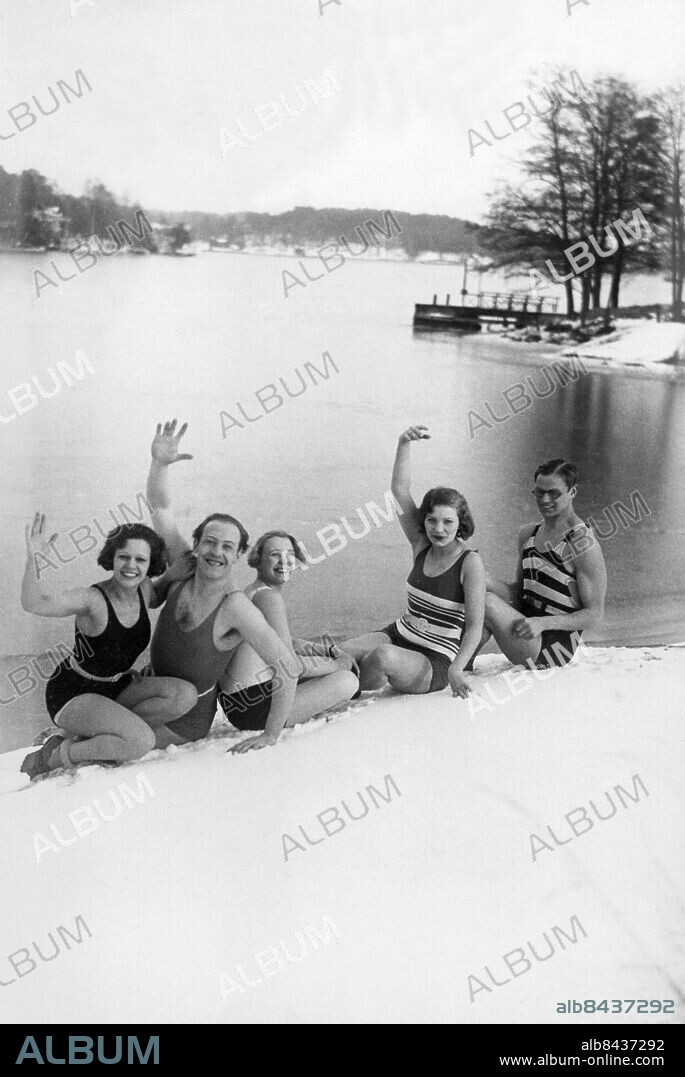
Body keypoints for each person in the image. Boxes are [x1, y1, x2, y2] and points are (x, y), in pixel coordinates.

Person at [145, 419, 298, 754]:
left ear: (239, 555)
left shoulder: (235, 607)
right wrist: (159, 465)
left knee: (115, 743)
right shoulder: (184, 567)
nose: (216, 552)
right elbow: (160, 509)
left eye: (227, 547)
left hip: (185, 719)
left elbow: (288, 668)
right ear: (197, 544)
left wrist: (270, 735)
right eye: (210, 543)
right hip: (153, 690)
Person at [20, 515, 198, 779]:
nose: (131, 566)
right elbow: (35, 604)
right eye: (124, 557)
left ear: (150, 564)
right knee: (140, 742)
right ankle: (54, 755)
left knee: (185, 695)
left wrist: (173, 573)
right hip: (74, 691)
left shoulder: (144, 588)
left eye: (141, 560)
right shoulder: (92, 600)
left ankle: (101, 732)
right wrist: (34, 561)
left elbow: (157, 594)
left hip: (116, 686)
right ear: (112, 557)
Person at [340, 424, 486, 698]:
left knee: (380, 657)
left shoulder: (470, 563)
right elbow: (399, 490)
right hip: (400, 634)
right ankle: (310, 688)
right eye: (432, 520)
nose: (438, 529)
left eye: (447, 522)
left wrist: (457, 669)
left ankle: (340, 691)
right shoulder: (421, 544)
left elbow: (475, 627)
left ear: (460, 523)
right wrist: (403, 444)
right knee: (338, 653)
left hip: (435, 660)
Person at [218, 530, 359, 731]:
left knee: (325, 666)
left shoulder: (251, 591)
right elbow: (289, 665)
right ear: (258, 560)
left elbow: (286, 642)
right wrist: (338, 666)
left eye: (289, 554)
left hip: (237, 704)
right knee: (348, 680)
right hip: (256, 708)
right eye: (275, 554)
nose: (284, 561)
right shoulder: (268, 598)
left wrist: (328, 651)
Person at [484, 458, 607, 668]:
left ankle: (456, 664)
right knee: (474, 587)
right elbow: (519, 594)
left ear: (573, 492)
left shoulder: (582, 543)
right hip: (526, 631)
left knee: (486, 601)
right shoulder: (528, 534)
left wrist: (543, 623)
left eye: (554, 493)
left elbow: (594, 614)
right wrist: (483, 579)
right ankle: (459, 664)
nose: (545, 499)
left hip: (552, 649)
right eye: (539, 492)